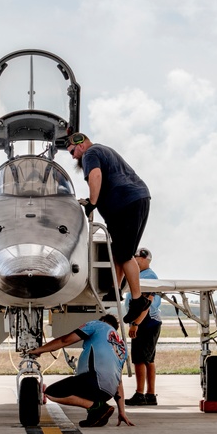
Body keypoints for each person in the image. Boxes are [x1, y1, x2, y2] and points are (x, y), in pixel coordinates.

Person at [66, 132, 152, 317]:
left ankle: (138, 300)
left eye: (73, 151)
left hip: (125, 204)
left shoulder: (90, 154)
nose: (73, 156)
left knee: (125, 254)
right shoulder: (104, 150)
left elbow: (95, 176)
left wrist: (92, 203)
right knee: (118, 252)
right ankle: (115, 290)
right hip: (137, 200)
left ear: (80, 145)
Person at [28, 314, 134, 427]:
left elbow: (65, 340)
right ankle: (96, 412)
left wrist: (39, 350)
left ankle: (98, 407)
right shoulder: (122, 346)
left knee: (51, 392)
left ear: (102, 321)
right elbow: (119, 382)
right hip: (108, 393)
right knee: (87, 392)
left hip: (94, 382)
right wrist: (122, 412)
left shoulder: (97, 325)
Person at [123, 248, 163, 406]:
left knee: (140, 359)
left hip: (146, 321)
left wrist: (135, 323)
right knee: (148, 359)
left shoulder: (148, 277)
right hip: (149, 321)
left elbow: (146, 304)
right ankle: (150, 394)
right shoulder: (143, 275)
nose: (134, 260)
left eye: (137, 258)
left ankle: (140, 394)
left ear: (145, 259)